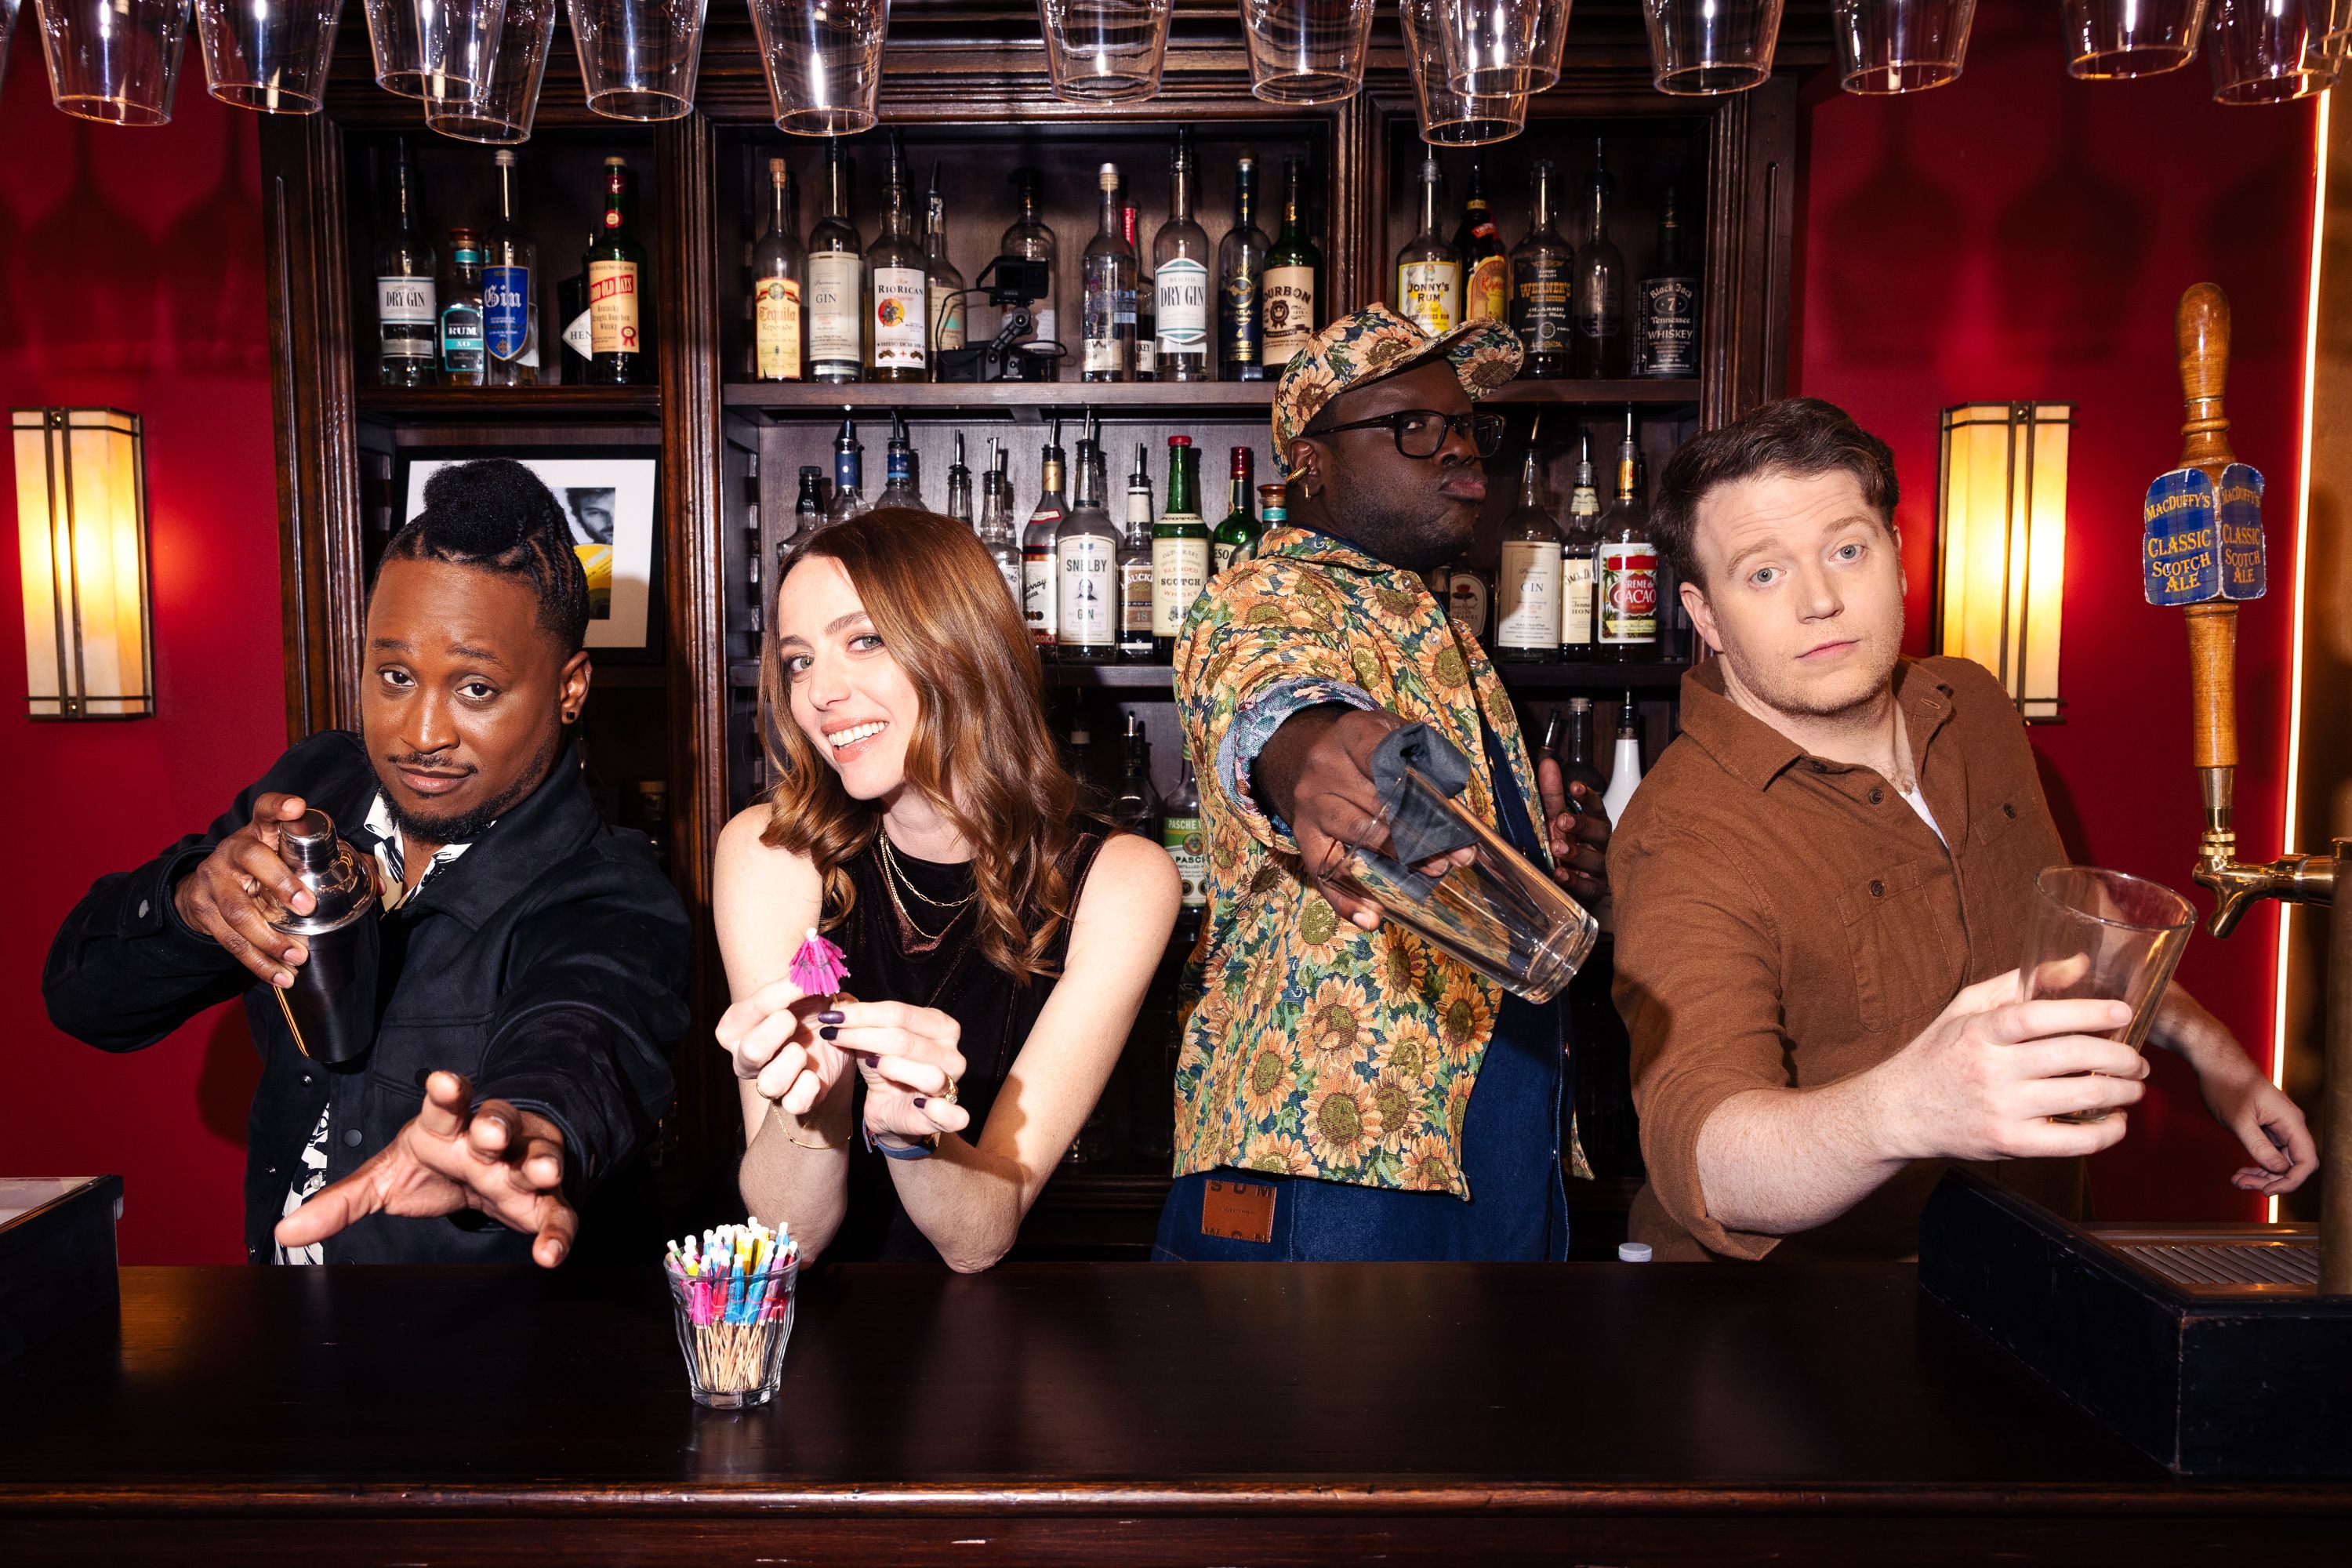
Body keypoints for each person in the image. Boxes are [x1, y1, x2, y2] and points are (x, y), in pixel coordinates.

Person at [1609, 397, 2318, 1261]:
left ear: (1898, 557)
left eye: (1846, 550)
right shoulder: (1682, 834)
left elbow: (2074, 939)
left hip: (2033, 1255)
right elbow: (1705, 1158)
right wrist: (1905, 1108)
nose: (1821, 600)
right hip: (1812, 1312)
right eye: (1763, 573)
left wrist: (2216, 1055)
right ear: (1706, 615)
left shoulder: (1970, 703)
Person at [43, 459, 690, 1267]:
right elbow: (83, 1000)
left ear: (569, 689)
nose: (421, 733)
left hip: (475, 1344)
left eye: (476, 688)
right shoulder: (314, 790)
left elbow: (582, 1036)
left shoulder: (609, 893)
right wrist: (191, 905)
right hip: (280, 1320)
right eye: (395, 676)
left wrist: (520, 1132)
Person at [1154, 306, 1612, 1261]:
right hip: (1331, 1160)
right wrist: (1311, 760)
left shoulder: (1441, 633)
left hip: (1499, 1143)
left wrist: (1543, 854)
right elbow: (1273, 701)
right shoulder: (1262, 594)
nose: (1458, 447)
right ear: (1309, 461)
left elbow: (1454, 871)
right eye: (1412, 425)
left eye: (1468, 425)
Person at [714, 508, 1178, 1272]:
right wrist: (817, 1106)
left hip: (997, 1316)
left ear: (964, 646)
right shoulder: (773, 851)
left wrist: (909, 1131)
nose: (819, 692)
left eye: (865, 640)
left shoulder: (1120, 882)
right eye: (798, 661)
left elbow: (980, 1237)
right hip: (812, 1319)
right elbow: (789, 1233)